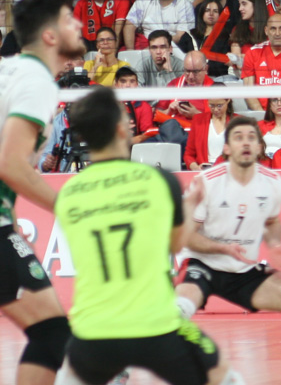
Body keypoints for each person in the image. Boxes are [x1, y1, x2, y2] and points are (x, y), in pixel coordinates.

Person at [52, 87, 245, 385]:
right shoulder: (158, 181)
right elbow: (176, 243)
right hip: (157, 324)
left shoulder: (68, 193)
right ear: (121, 130)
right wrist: (190, 205)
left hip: (93, 330)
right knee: (225, 377)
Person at [177, 116, 281, 383]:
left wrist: (274, 243)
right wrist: (222, 248)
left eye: (251, 138)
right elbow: (186, 236)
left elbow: (272, 222)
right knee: (176, 312)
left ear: (259, 147)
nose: (245, 143)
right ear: (226, 147)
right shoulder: (206, 182)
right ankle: (123, 367)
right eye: (238, 137)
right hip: (202, 263)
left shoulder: (272, 182)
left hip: (243, 270)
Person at [0, 0, 81, 385]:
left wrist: (11, 221)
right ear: (50, 36)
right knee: (52, 333)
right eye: (69, 19)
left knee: (50, 333)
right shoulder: (36, 81)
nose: (78, 24)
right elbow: (12, 165)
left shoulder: (9, 70)